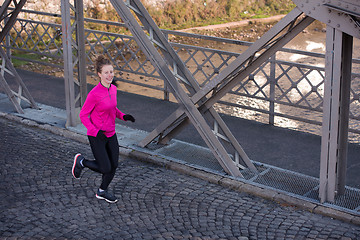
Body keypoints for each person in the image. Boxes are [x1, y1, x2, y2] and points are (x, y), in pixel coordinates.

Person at [72, 55, 135, 203]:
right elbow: (83, 115)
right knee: (105, 167)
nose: (110, 75)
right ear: (99, 74)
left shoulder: (113, 89)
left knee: (113, 165)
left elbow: (112, 109)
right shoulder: (94, 94)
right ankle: (81, 161)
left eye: (111, 72)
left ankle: (102, 191)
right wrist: (95, 131)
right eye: (106, 72)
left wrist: (124, 116)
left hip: (111, 133)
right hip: (97, 136)